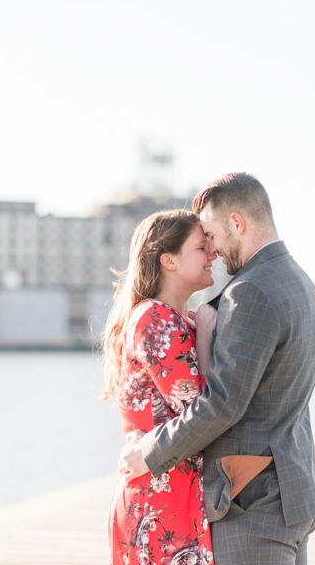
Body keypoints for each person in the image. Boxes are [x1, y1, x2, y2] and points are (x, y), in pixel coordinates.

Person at [119, 173, 315, 564]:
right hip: (293, 490)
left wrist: (149, 452)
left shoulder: (250, 290)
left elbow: (222, 403)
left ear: (237, 223)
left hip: (253, 504)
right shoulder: (299, 281)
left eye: (212, 236)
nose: (214, 251)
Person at [104, 209, 218, 564]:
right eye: (202, 246)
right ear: (168, 260)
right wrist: (208, 336)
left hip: (171, 497)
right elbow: (200, 410)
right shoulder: (155, 319)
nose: (213, 253)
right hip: (158, 504)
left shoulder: (178, 319)